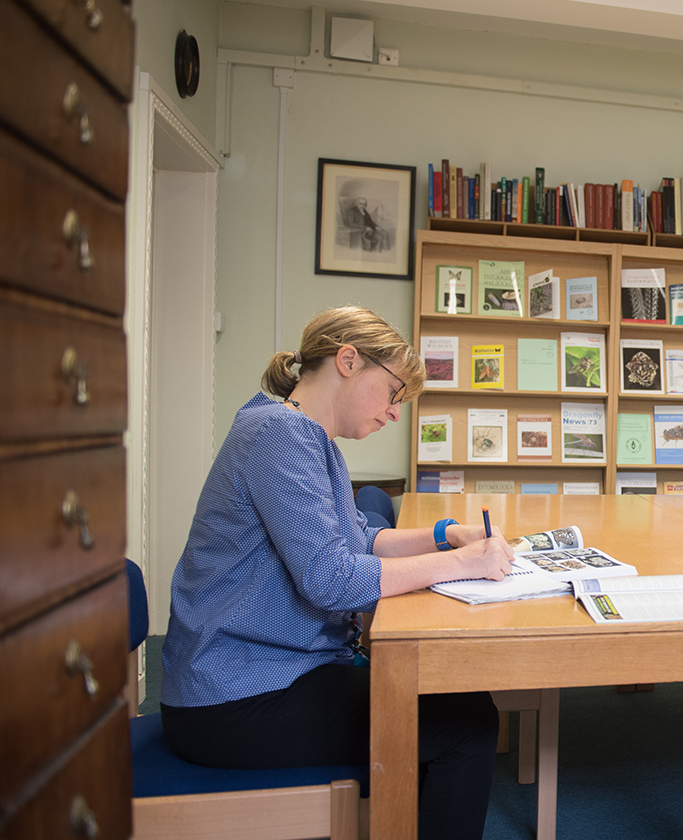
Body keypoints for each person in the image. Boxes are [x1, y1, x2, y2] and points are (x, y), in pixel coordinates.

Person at [161, 305, 516, 840]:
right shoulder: (279, 435)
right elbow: (330, 579)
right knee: (467, 724)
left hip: (263, 675)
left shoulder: (305, 435)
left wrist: (448, 533)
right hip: (232, 697)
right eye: (394, 393)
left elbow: (361, 539)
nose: (396, 412)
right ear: (348, 360)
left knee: (453, 712)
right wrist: (463, 563)